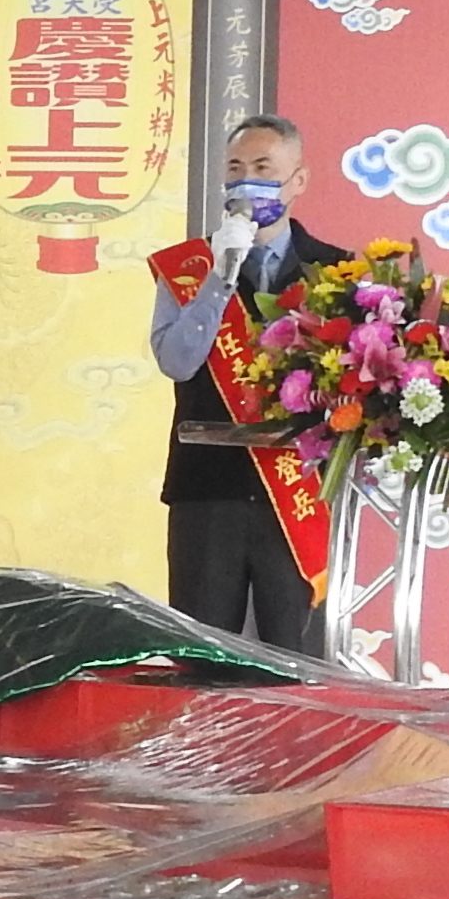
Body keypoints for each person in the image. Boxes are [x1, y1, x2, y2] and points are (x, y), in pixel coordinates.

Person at [149, 112, 350, 652]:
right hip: (206, 488)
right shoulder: (186, 268)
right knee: (203, 656)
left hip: (298, 490)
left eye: (264, 168)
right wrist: (222, 275)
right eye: (236, 169)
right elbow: (178, 361)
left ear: (297, 181)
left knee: (298, 656)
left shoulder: (338, 272)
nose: (247, 182)